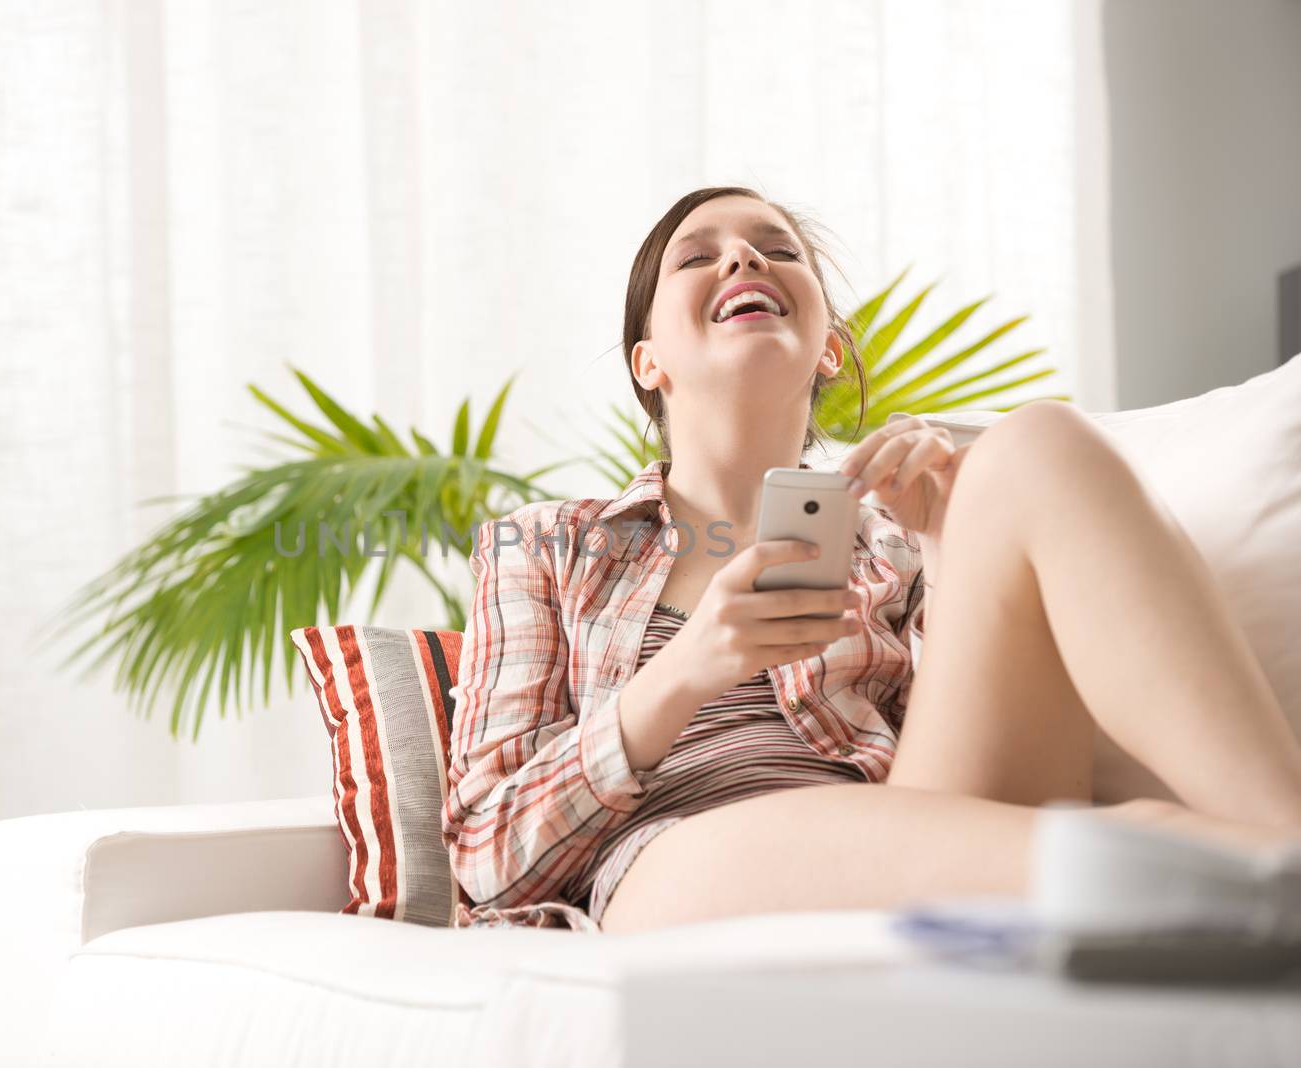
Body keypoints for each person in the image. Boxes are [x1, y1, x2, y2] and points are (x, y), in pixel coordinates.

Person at [439, 185, 1301, 934]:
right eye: (697, 257)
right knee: (1132, 845)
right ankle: (1198, 861)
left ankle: (1280, 830)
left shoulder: (893, 537)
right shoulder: (551, 544)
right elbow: (484, 854)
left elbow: (993, 751)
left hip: (909, 821)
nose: (744, 257)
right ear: (648, 361)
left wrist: (944, 543)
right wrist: (684, 671)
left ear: (829, 348)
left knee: (1039, 440)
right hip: (675, 850)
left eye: (778, 249)